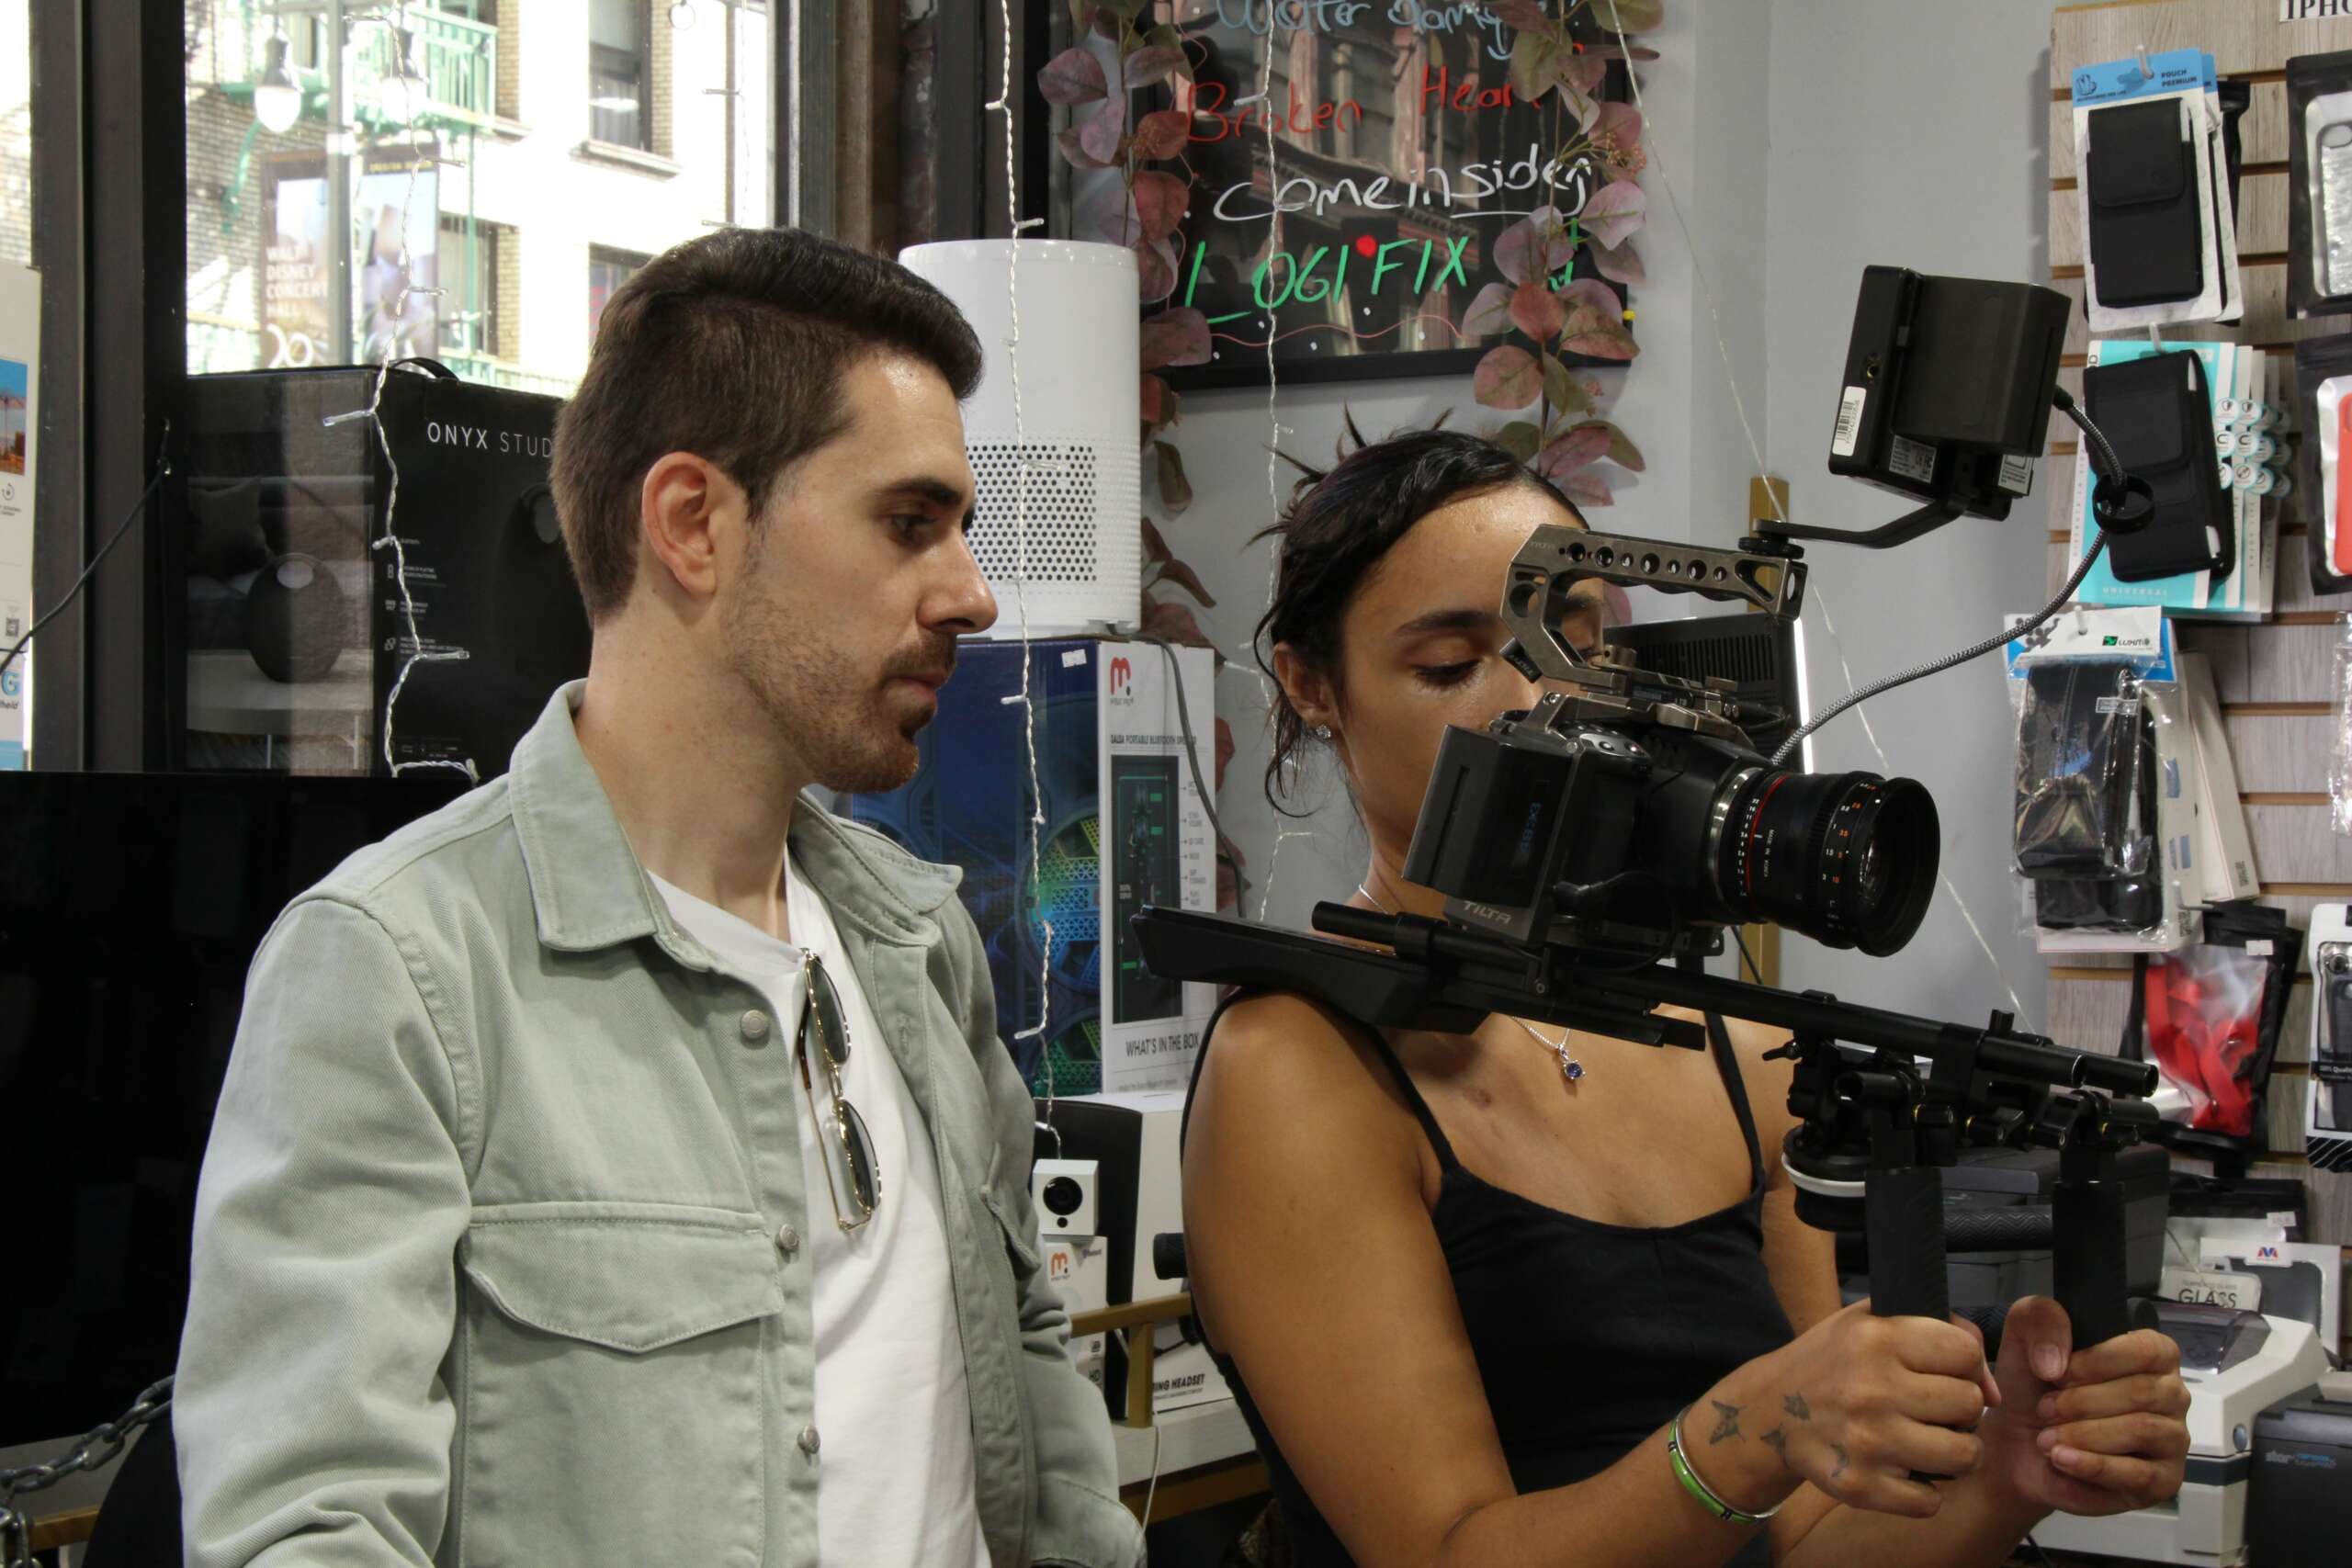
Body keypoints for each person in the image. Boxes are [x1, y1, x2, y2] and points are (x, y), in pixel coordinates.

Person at [175, 227, 1144, 1568]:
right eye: (909, 523)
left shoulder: (918, 935)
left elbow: (1021, 1347)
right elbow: (306, 1530)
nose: (972, 594)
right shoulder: (398, 969)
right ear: (693, 522)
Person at [1181, 426, 2191, 1568]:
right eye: (1452, 664)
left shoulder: (1728, 1042)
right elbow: (1443, 1553)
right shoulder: (1296, 1070)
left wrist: (2012, 1473)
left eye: (1572, 646)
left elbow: (1798, 1541)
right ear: (1314, 687)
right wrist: (1755, 1428)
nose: (1537, 701)